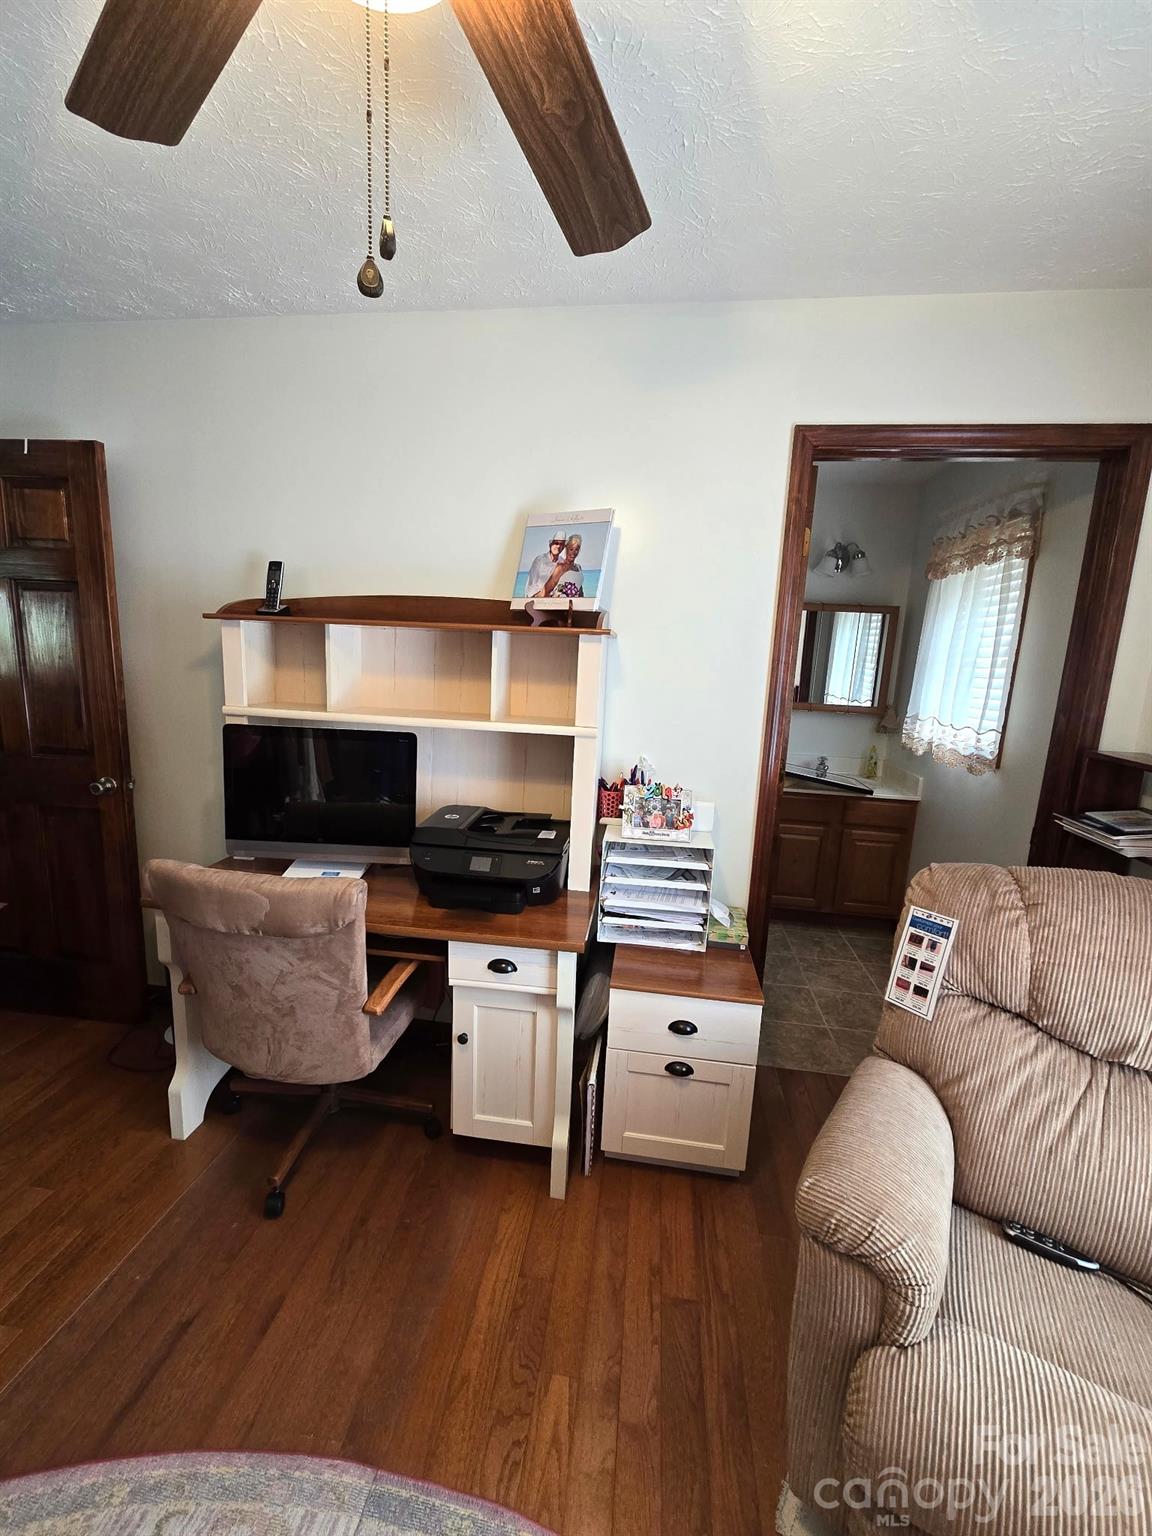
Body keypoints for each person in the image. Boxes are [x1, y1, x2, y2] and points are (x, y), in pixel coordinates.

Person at [542, 533, 584, 599]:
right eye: (571, 549)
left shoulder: (578, 567)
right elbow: (547, 590)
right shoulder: (560, 568)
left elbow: (580, 591)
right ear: (566, 549)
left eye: (576, 549)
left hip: (574, 606)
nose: (573, 553)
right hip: (560, 606)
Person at [525, 532, 566, 598]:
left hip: (553, 599)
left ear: (563, 547)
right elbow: (531, 583)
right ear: (550, 544)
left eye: (561, 544)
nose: (558, 546)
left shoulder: (563, 562)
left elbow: (562, 583)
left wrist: (558, 594)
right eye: (556, 543)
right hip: (538, 597)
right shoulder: (539, 560)